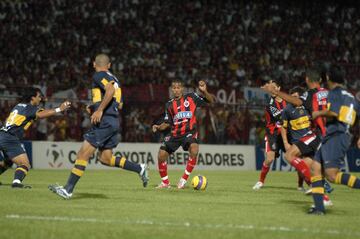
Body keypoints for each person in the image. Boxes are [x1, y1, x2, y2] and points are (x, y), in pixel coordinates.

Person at [49, 54, 149, 199]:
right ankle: (139, 168)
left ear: (94, 64)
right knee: (105, 158)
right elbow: (118, 104)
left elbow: (110, 91)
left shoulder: (99, 75)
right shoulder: (115, 78)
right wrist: (95, 106)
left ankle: (68, 190)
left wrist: (100, 110)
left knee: (83, 153)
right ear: (109, 65)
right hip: (113, 120)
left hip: (105, 121)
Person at [261, 68, 334, 194]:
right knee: (311, 165)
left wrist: (276, 92)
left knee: (290, 155)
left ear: (307, 79)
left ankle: (315, 185)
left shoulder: (310, 94)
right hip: (333, 135)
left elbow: (296, 101)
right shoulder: (330, 93)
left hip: (317, 133)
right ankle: (321, 194)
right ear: (321, 80)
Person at [309, 65, 360, 215]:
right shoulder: (350, 95)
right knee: (315, 168)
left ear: (329, 79)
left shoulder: (334, 93)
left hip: (337, 136)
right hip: (335, 136)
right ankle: (319, 208)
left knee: (331, 175)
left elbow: (334, 112)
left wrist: (318, 113)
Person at [0, 87, 71, 188]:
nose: (40, 98)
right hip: (10, 137)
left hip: (2, 134)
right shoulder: (29, 108)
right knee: (25, 164)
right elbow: (41, 114)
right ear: (32, 98)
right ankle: (16, 183)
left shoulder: (19, 106)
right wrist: (60, 109)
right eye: (38, 97)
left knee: (8, 162)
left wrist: (43, 101)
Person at [152, 79, 215, 189]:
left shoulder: (191, 97)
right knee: (161, 155)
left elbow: (211, 100)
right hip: (175, 134)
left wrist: (204, 91)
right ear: (172, 89)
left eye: (178, 88)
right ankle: (165, 183)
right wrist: (158, 126)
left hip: (189, 133)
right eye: (174, 88)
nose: (176, 90)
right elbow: (167, 123)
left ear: (182, 89)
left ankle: (183, 180)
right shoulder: (169, 105)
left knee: (194, 149)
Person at [280, 86, 332, 205]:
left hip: (310, 138)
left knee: (292, 157)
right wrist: (285, 142)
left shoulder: (306, 106)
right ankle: (323, 196)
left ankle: (318, 187)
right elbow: (283, 127)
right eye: (292, 97)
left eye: (296, 96)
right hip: (300, 140)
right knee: (308, 167)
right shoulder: (287, 110)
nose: (294, 99)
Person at [253, 80, 287, 190]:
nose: (272, 90)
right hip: (273, 134)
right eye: (270, 88)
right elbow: (282, 119)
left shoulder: (287, 100)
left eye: (274, 87)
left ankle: (301, 185)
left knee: (296, 156)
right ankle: (260, 181)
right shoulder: (271, 105)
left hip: (286, 133)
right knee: (269, 159)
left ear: (279, 88)